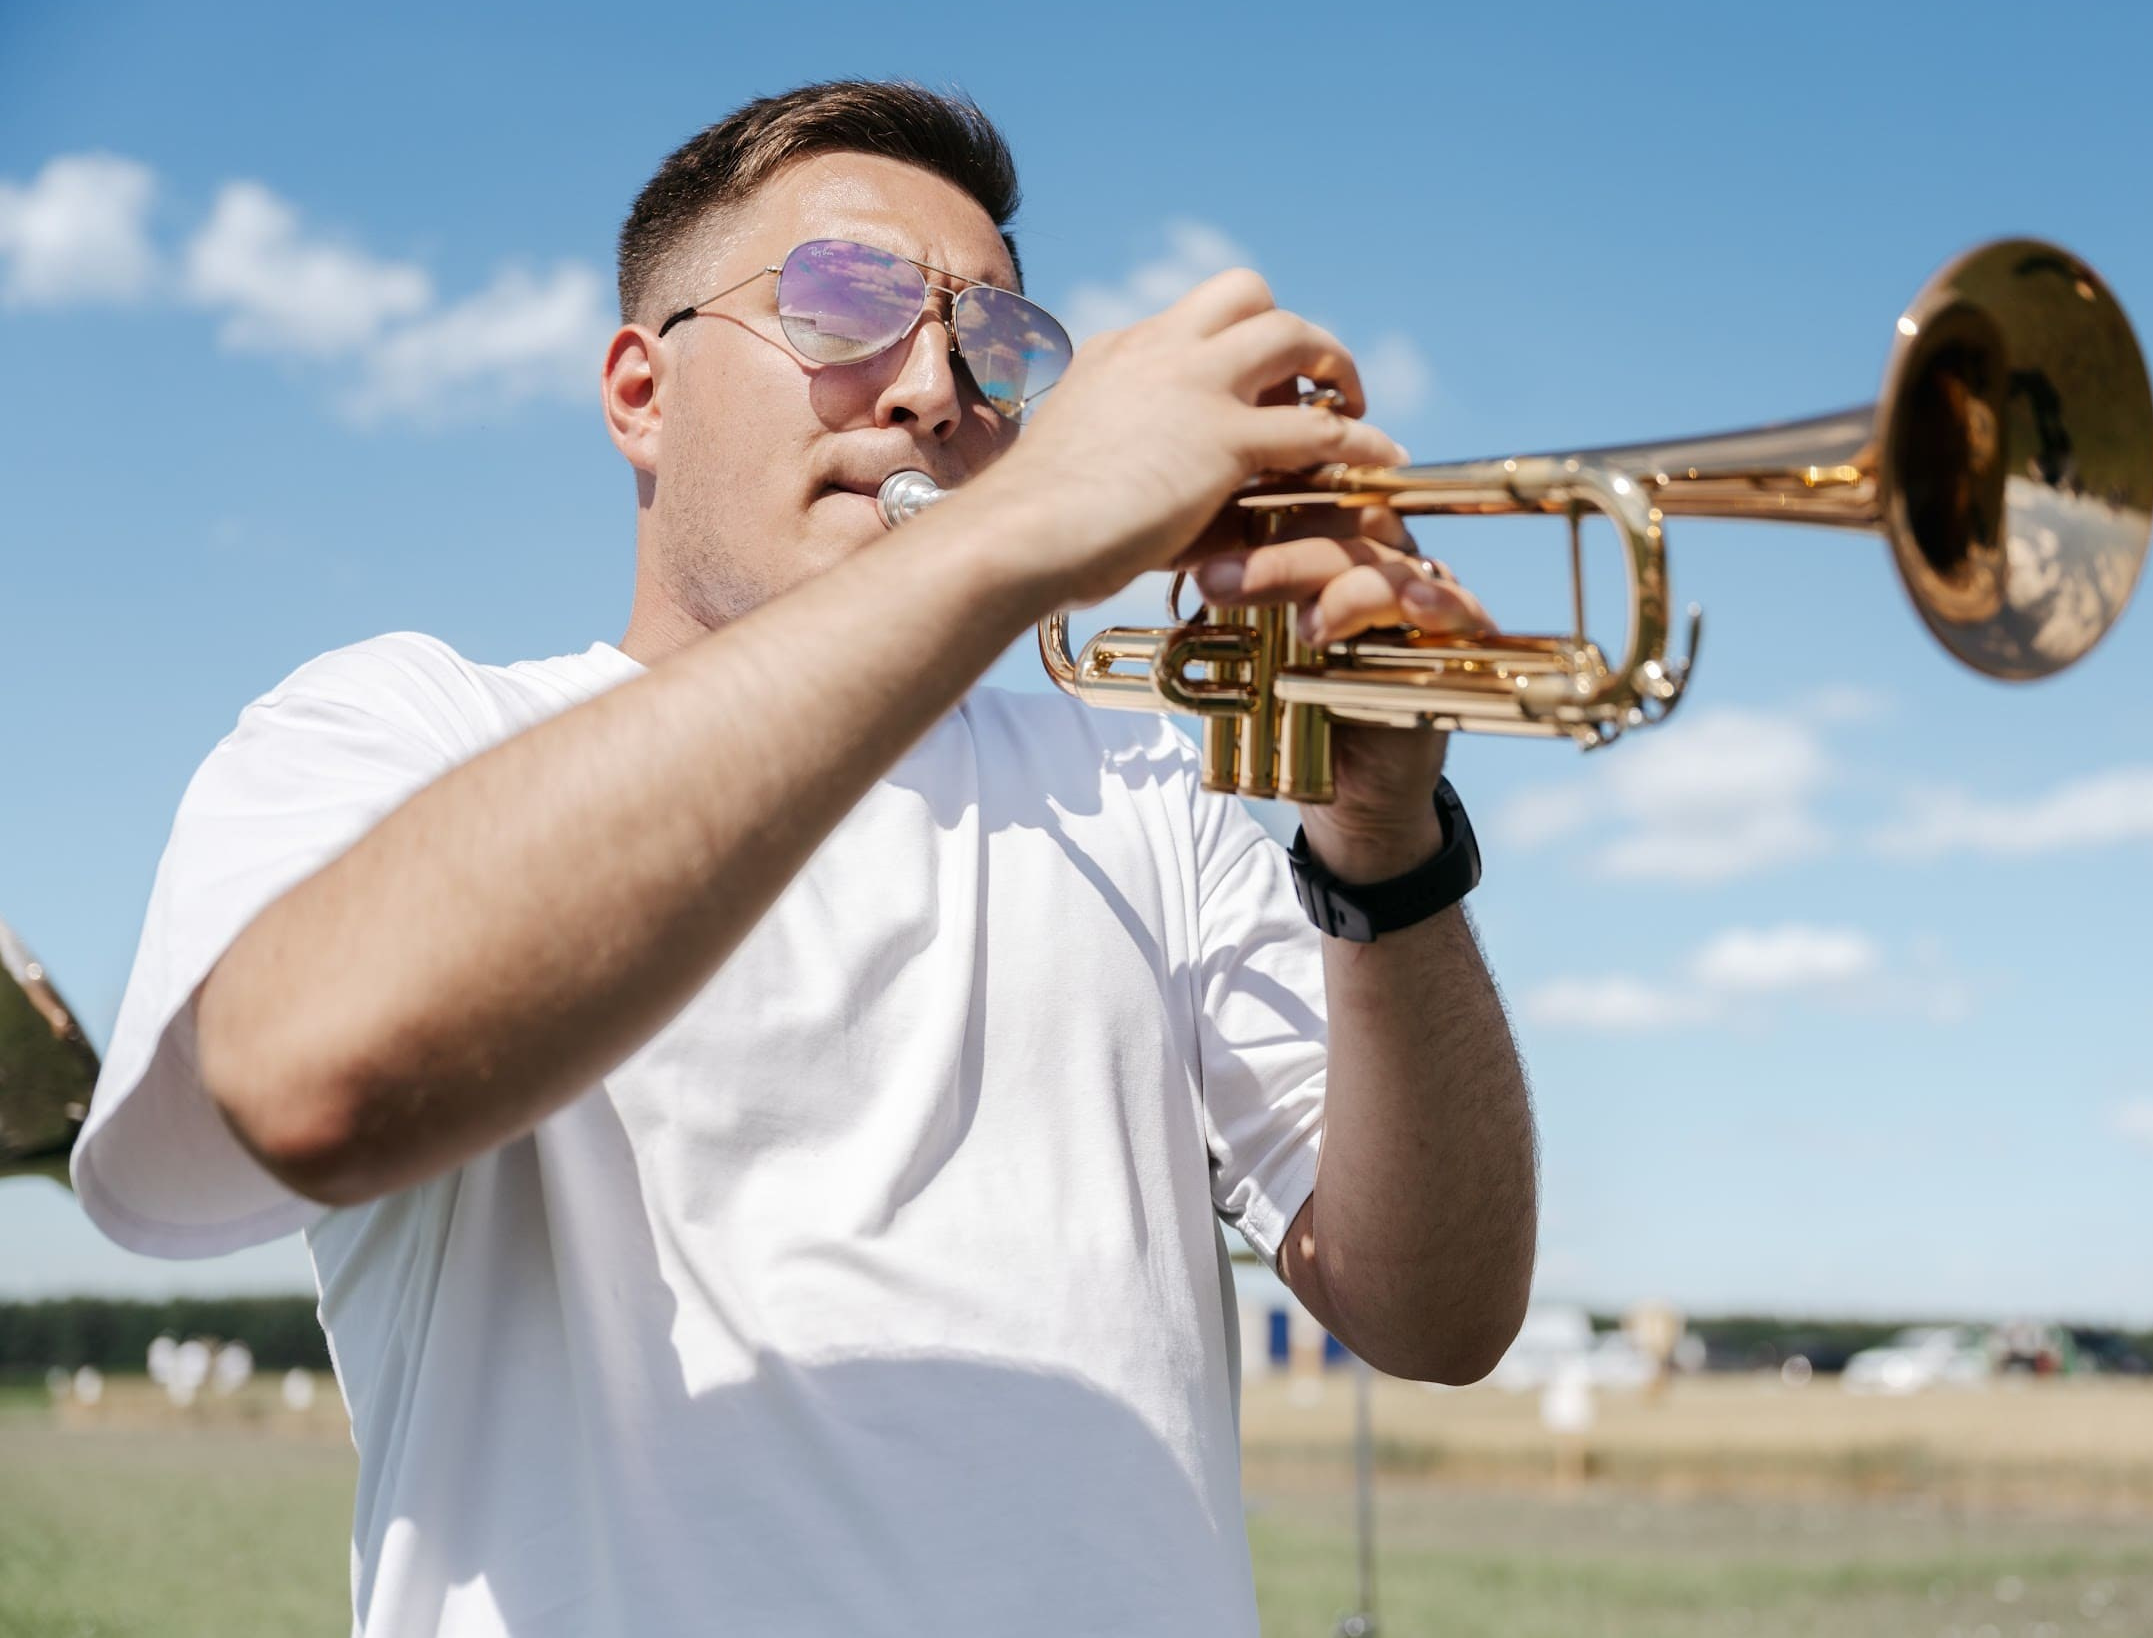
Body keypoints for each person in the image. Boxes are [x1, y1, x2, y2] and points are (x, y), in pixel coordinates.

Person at [70, 81, 1536, 1635]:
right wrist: (1023, 525)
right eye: (844, 304)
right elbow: (307, 1072)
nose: (934, 389)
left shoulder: (1138, 786)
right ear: (639, 391)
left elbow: (1439, 1311)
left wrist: (1384, 851)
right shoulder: (403, 723)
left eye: (999, 346)